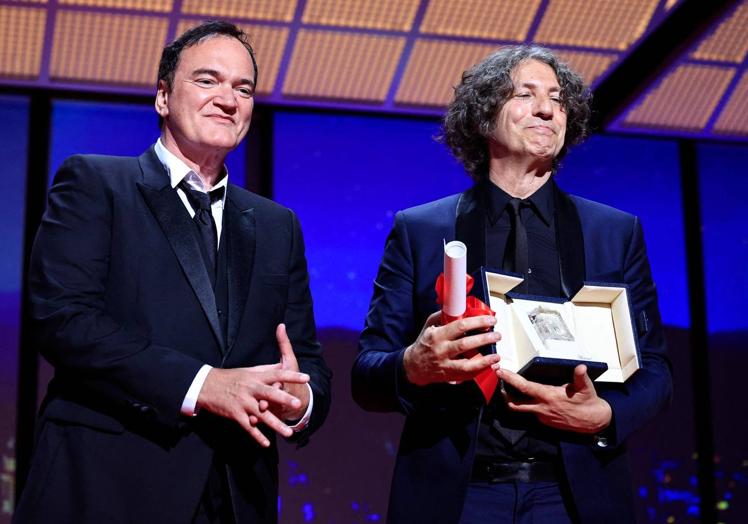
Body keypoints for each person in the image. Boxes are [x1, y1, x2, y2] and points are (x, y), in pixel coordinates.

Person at [15, 21, 331, 524]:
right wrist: (203, 384)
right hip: (108, 486)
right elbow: (64, 319)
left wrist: (300, 399)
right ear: (163, 97)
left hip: (235, 495)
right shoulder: (97, 183)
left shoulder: (278, 226)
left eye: (243, 88)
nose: (228, 99)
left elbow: (306, 358)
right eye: (207, 80)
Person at [352, 45, 671, 523]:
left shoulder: (614, 232)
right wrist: (415, 365)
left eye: (558, 100)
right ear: (484, 117)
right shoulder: (422, 230)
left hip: (574, 494)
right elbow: (367, 374)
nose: (547, 109)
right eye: (525, 94)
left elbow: (656, 370)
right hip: (460, 498)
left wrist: (604, 415)